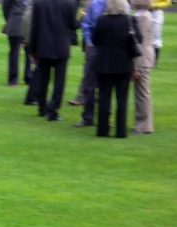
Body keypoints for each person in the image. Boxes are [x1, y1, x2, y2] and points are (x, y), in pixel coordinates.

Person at [92, 0, 138, 138]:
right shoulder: (129, 20)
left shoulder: (101, 20)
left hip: (105, 63)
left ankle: (102, 130)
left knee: (104, 98)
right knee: (122, 99)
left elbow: (95, 40)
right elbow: (137, 39)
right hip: (124, 64)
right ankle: (120, 131)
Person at [28, 0, 78, 121]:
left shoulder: (39, 3)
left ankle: (42, 107)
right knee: (59, 81)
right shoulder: (69, 3)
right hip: (61, 47)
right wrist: (82, 20)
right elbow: (73, 25)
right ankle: (53, 110)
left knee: (43, 79)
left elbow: (34, 27)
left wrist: (32, 49)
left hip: (43, 46)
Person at [73, 0, 104, 128]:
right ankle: (88, 117)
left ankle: (104, 118)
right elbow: (86, 25)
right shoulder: (95, 4)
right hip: (95, 48)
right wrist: (89, 43)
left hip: (110, 49)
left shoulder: (122, 4)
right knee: (89, 84)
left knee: (106, 86)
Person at [131, 0, 154, 135]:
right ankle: (142, 123)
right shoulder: (143, 15)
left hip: (142, 59)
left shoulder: (142, 17)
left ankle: (144, 125)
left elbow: (141, 43)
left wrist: (137, 66)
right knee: (141, 92)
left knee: (142, 93)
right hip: (145, 57)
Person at [2, 0, 26, 86]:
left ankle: (28, 76)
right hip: (16, 23)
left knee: (30, 51)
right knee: (15, 52)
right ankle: (13, 78)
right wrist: (10, 21)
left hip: (29, 25)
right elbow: (5, 8)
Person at [150, 0, 169, 66]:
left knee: (156, 37)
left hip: (156, 12)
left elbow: (167, 2)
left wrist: (155, 5)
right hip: (143, 11)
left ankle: (154, 61)